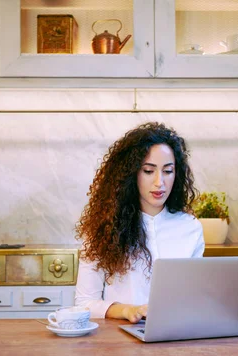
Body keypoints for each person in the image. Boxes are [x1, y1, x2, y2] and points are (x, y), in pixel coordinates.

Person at [74, 122, 205, 323]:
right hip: (119, 341)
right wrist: (127, 310)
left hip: (175, 335)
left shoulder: (190, 228)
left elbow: (194, 296)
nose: (159, 182)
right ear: (131, 174)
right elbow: (84, 303)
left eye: (168, 171)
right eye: (148, 171)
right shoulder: (102, 228)